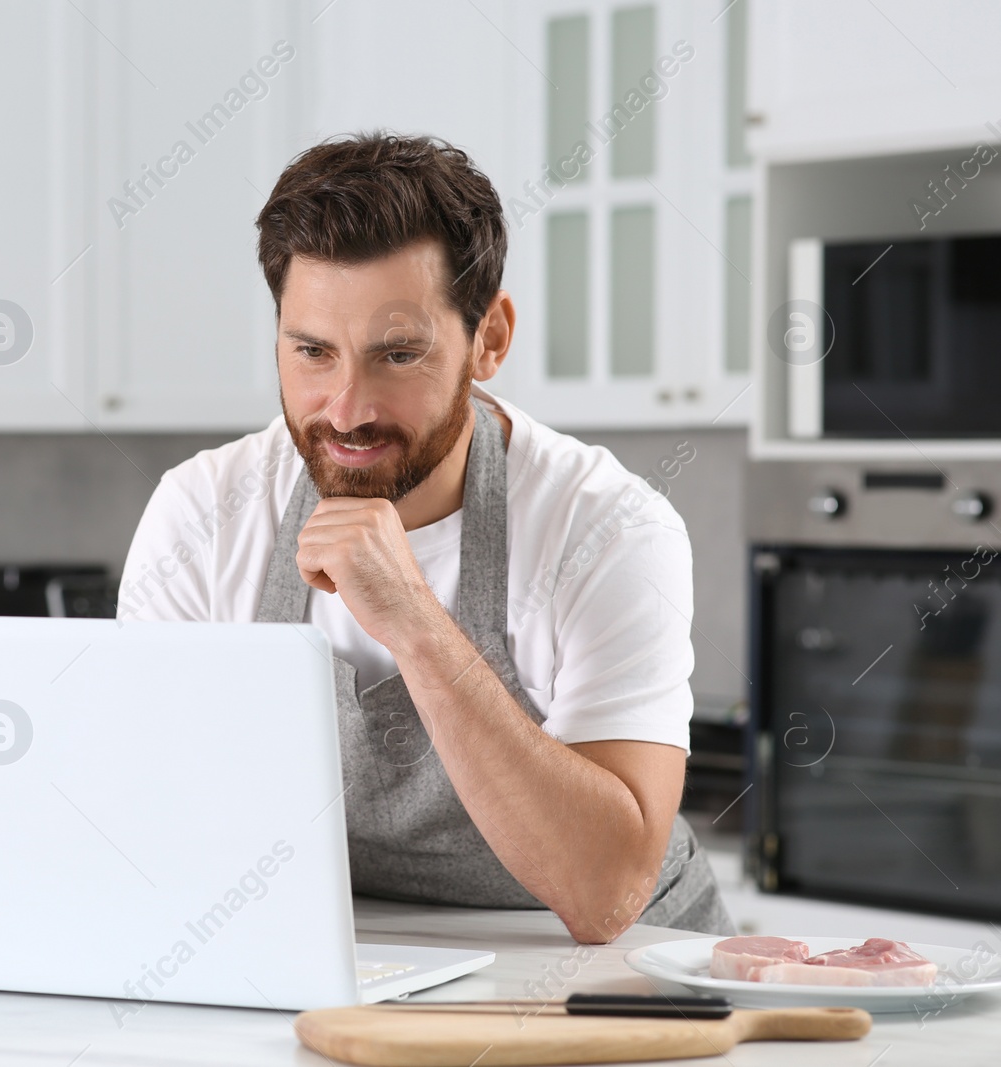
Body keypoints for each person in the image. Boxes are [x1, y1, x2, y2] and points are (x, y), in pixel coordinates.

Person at [117, 133, 732, 942]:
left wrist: (411, 617)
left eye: (398, 354)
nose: (345, 408)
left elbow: (606, 893)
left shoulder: (610, 528)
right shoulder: (205, 512)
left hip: (615, 975)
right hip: (360, 959)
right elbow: (149, 817)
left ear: (491, 338)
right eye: (312, 351)